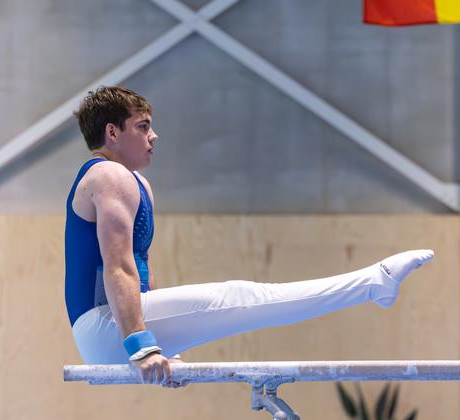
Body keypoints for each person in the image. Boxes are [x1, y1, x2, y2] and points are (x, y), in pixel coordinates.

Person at [65, 86, 434, 387]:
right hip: (103, 326)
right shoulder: (107, 177)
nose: (154, 135)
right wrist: (141, 346)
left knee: (240, 297)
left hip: (118, 324)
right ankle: (374, 283)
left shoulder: (136, 183)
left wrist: (162, 343)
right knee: (240, 296)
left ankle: (374, 285)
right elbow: (118, 267)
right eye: (143, 126)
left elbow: (141, 270)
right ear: (112, 132)